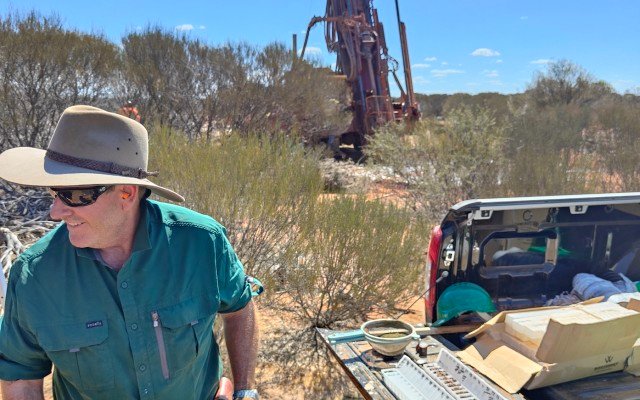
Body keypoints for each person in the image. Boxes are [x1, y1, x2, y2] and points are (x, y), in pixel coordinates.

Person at [0, 105, 260, 400]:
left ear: (126, 193)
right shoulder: (34, 275)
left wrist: (245, 390)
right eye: (54, 192)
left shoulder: (202, 242)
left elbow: (240, 308)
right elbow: (20, 377)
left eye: (73, 195)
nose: (56, 211)